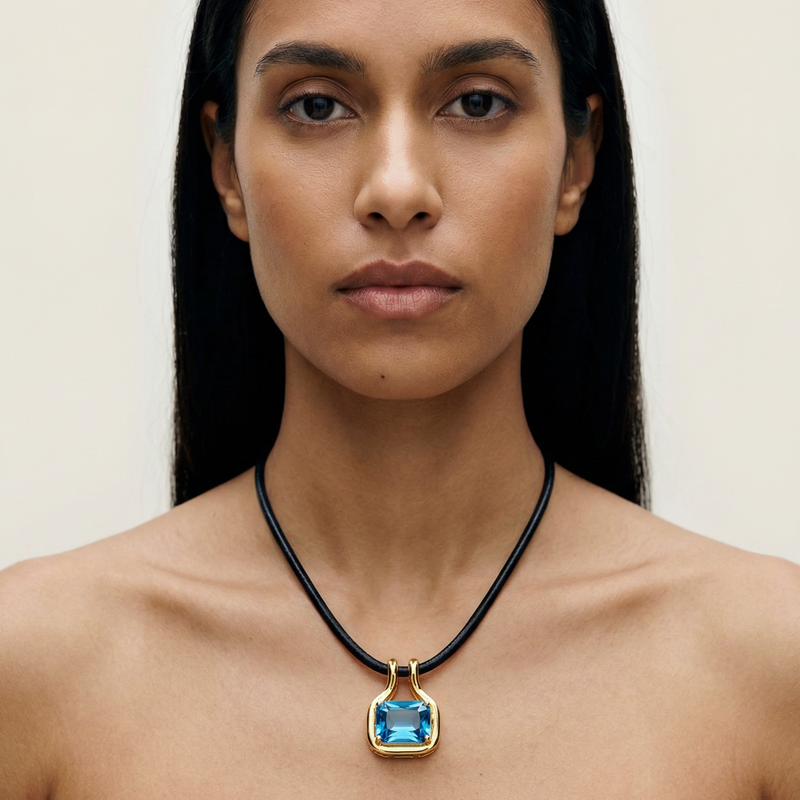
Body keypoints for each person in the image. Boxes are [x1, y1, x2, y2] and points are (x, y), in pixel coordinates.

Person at [1, 0, 799, 794]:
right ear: (226, 167)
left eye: (477, 102)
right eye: (317, 106)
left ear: (577, 164)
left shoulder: (769, 667)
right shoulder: (35, 667)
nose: (396, 188)